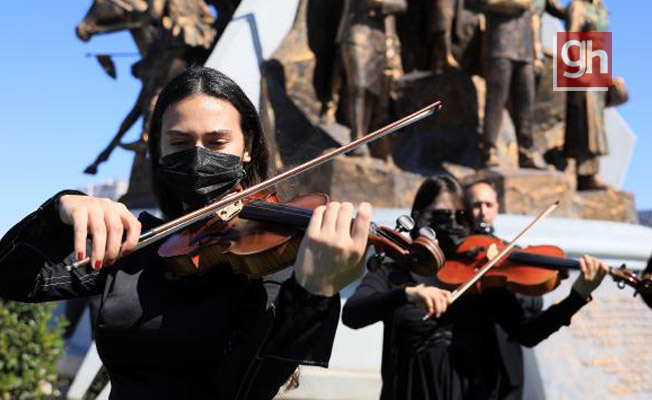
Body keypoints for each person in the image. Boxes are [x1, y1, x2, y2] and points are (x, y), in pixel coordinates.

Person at [0, 66, 373, 399]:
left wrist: (314, 293)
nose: (197, 156)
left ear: (248, 148)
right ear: (159, 151)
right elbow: (11, 278)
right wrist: (60, 209)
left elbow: (244, 388)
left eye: (216, 142)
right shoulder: (136, 243)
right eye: (179, 143)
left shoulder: (272, 254)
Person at [342, 175, 608, 399]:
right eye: (443, 215)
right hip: (410, 390)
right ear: (419, 217)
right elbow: (353, 314)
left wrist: (578, 295)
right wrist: (406, 294)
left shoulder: (480, 273)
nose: (455, 224)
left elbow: (527, 333)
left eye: (461, 216)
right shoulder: (396, 270)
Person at [464, 178, 545, 400]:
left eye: (488, 205)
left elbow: (536, 304)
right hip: (467, 369)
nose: (483, 212)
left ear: (497, 208)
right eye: (476, 205)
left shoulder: (511, 252)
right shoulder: (459, 254)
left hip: (507, 369)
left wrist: (511, 286)